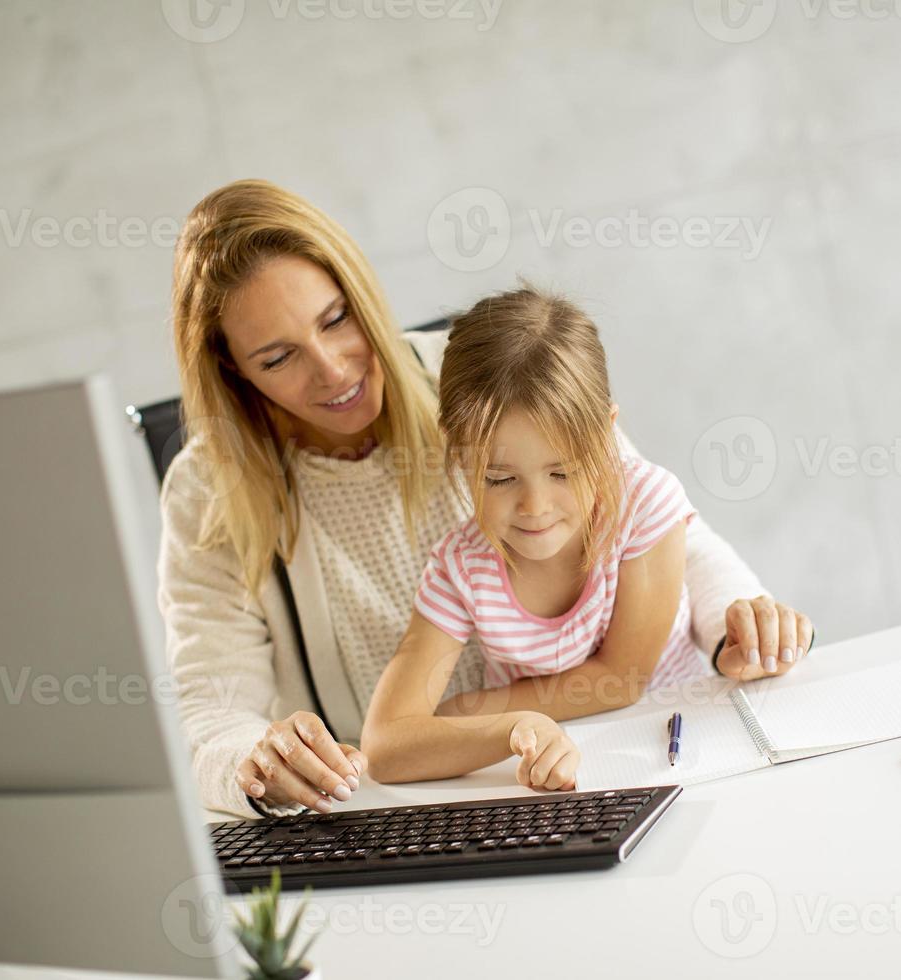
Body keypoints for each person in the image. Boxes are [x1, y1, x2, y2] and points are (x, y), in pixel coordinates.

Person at [157, 179, 814, 817]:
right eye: (278, 359)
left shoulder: (477, 375)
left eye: (337, 318)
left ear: (362, 292)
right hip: (403, 799)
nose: (333, 370)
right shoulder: (205, 489)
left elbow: (651, 522)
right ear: (232, 371)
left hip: (582, 755)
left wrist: (735, 621)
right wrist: (254, 758)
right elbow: (210, 708)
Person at [362, 286, 715, 791]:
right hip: (555, 784)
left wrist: (467, 711)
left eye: (563, 472)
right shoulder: (461, 567)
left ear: (606, 435)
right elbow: (385, 747)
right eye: (499, 479)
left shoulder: (644, 503)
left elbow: (623, 678)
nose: (534, 507)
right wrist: (512, 727)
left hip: (684, 755)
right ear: (460, 458)